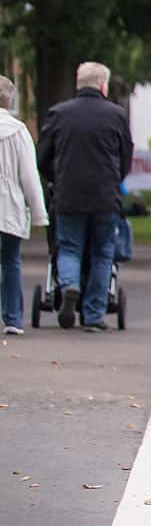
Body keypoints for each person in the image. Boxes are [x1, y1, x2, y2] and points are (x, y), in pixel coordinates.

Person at [37, 61, 132, 331]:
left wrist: (57, 178)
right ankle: (93, 315)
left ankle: (69, 286)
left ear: (78, 84)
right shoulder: (117, 115)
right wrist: (115, 179)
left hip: (68, 195)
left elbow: (43, 158)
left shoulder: (59, 114)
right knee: (102, 253)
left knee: (68, 247)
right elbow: (125, 159)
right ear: (103, 85)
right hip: (105, 196)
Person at [1, 75, 51, 336]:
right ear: (9, 100)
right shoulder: (19, 132)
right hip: (9, 207)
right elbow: (29, 177)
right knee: (10, 261)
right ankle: (12, 318)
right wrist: (39, 215)